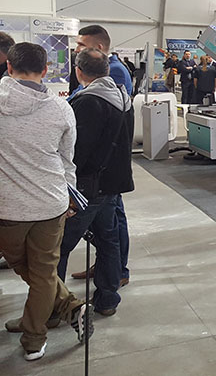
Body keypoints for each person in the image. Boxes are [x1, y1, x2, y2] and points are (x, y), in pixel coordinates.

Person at [0, 43, 90, 361]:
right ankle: (40, 334)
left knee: (26, 268)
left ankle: (42, 325)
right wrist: (70, 195)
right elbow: (67, 160)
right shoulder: (61, 109)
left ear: (9, 67)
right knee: (42, 273)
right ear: (45, 70)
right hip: (52, 204)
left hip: (8, 208)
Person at [59, 49, 135, 317]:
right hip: (112, 183)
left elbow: (78, 150)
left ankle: (54, 307)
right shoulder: (122, 97)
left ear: (78, 71)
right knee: (108, 241)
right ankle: (108, 299)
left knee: (59, 246)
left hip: (88, 187)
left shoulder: (88, 101)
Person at [70, 26, 132, 98]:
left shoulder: (115, 70)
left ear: (99, 48)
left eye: (82, 45)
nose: (76, 49)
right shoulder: (93, 68)